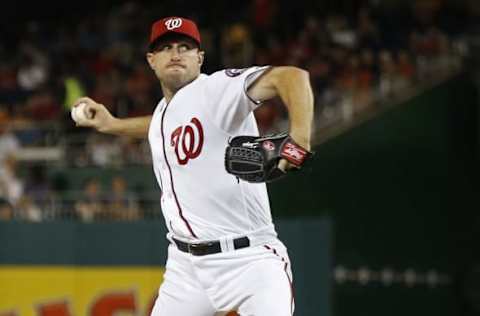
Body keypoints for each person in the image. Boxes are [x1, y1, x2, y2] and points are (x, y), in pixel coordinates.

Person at [73, 16, 313, 316]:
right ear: (151, 60)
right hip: (185, 268)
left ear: (200, 58)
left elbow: (291, 77)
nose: (175, 54)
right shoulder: (164, 111)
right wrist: (114, 125)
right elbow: (162, 125)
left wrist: (300, 138)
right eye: (166, 48)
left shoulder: (217, 90)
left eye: (185, 47)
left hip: (249, 261)